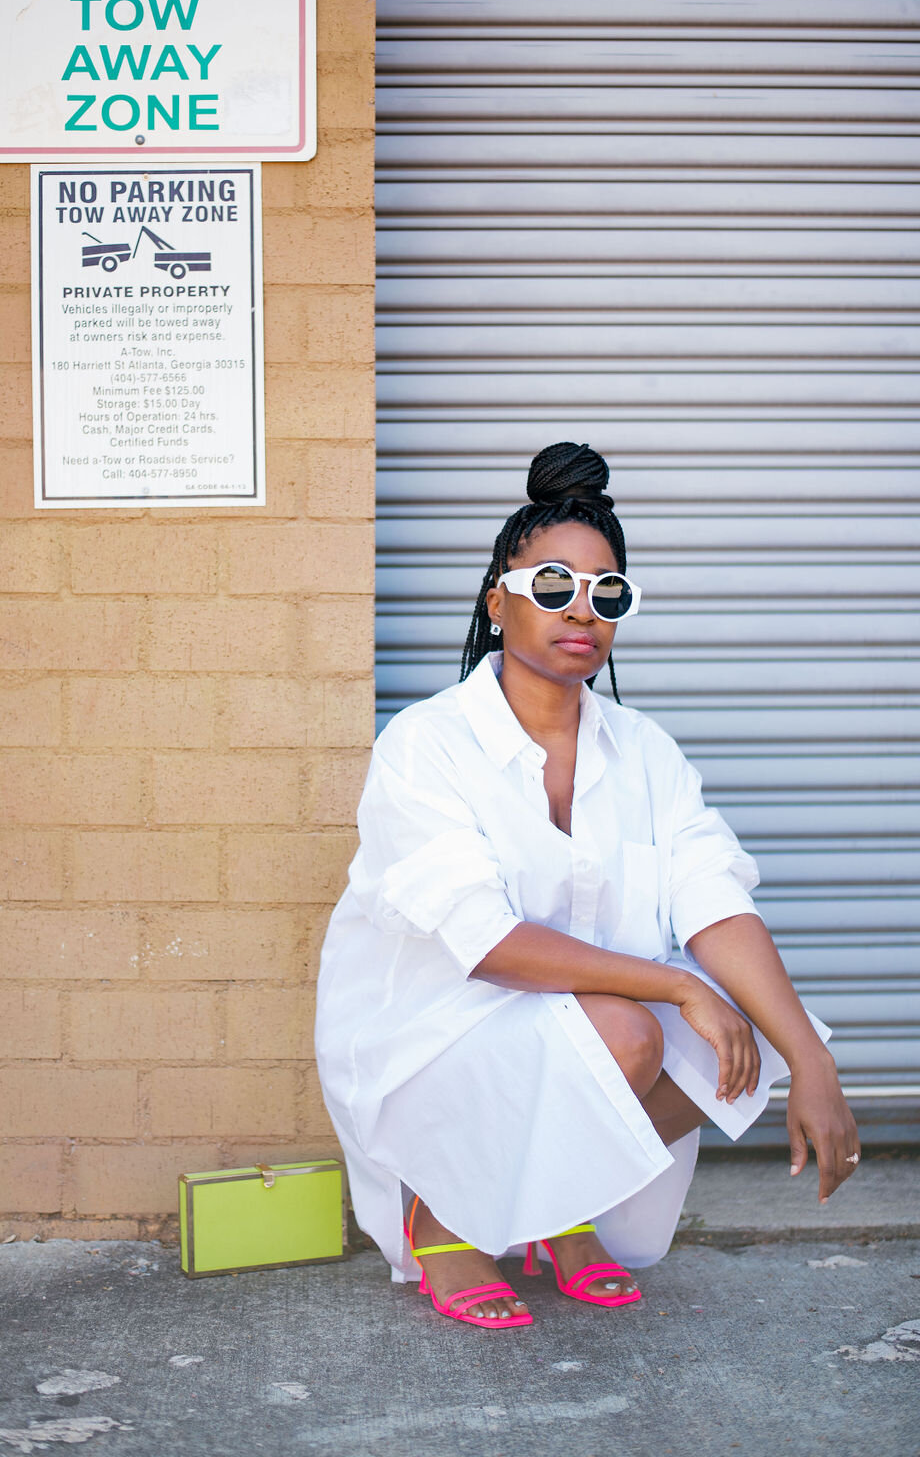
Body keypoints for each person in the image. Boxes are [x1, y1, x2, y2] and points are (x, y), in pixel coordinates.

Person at [314, 441, 859, 1329]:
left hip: (568, 1025)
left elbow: (713, 896)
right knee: (635, 1029)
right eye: (553, 585)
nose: (582, 609)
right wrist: (681, 984)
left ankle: (555, 1206)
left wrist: (813, 1060)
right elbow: (487, 944)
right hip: (435, 1030)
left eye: (608, 592)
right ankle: (445, 1217)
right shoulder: (427, 745)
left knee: (741, 1031)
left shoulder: (643, 750)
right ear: (499, 603)